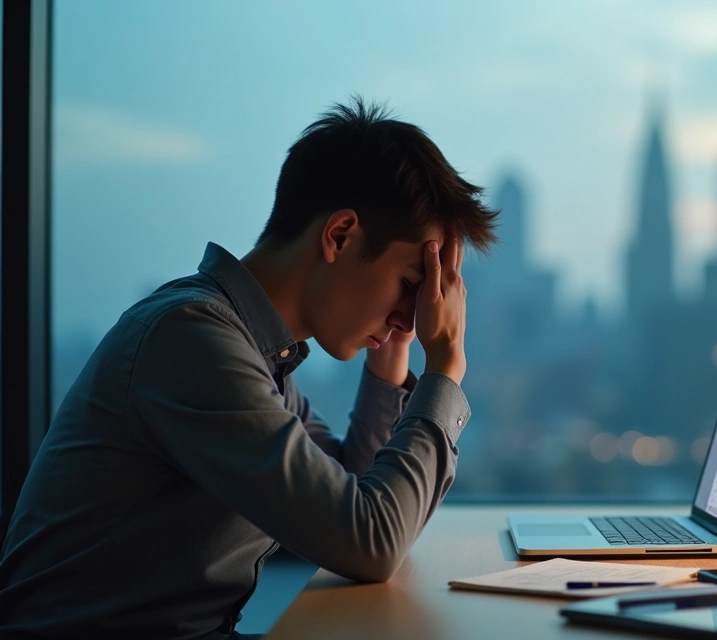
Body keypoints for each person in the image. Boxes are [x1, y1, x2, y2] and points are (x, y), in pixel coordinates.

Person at [0, 97, 497, 638]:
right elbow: (369, 542)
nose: (415, 315)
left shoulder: (255, 354)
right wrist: (444, 368)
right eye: (411, 284)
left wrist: (392, 353)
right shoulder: (192, 340)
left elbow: (347, 498)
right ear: (339, 236)